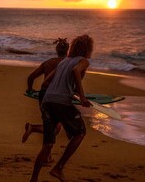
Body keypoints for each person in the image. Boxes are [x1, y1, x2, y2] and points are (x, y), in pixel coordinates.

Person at [30, 34, 93, 182]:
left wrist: (69, 90)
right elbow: (76, 71)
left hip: (47, 101)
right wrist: (82, 97)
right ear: (87, 49)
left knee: (47, 144)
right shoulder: (83, 61)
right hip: (61, 101)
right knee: (80, 132)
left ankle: (33, 180)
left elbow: (45, 82)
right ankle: (58, 168)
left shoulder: (64, 62)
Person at [22, 38, 69, 143]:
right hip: (58, 96)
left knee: (49, 124)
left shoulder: (47, 63)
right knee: (55, 128)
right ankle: (32, 128)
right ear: (67, 50)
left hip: (44, 95)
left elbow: (31, 77)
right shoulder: (68, 64)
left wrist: (30, 90)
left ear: (56, 50)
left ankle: (47, 155)